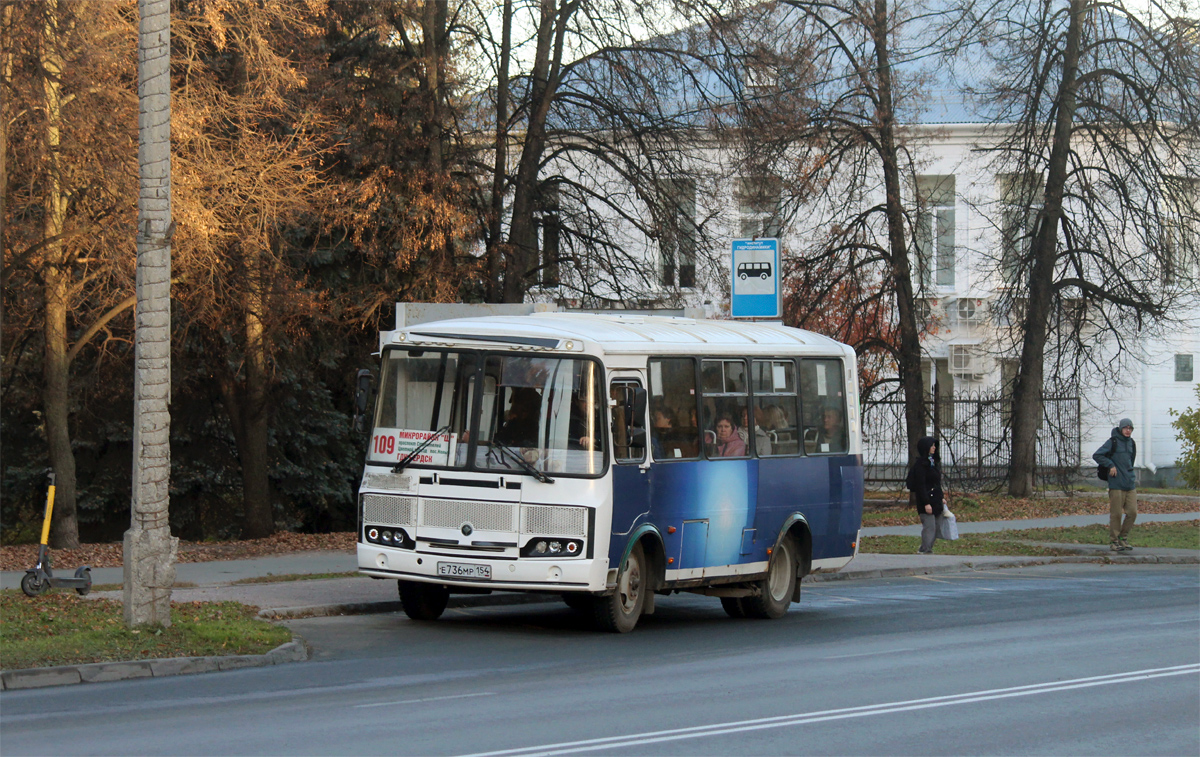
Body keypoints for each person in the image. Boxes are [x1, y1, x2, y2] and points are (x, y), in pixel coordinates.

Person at [1093, 417, 1138, 552]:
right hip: (1116, 483)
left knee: (1132, 512)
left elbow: (1131, 460)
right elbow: (1097, 455)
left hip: (1129, 483)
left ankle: (1123, 538)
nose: (1128, 431)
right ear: (1120, 428)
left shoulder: (1132, 443)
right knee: (1116, 514)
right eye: (1125, 428)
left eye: (1130, 429)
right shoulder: (1112, 442)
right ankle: (1114, 541)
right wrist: (1110, 465)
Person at [908, 436, 947, 554]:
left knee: (937, 526)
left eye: (935, 446)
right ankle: (925, 550)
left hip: (936, 499)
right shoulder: (921, 465)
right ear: (926, 447)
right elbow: (920, 485)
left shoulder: (933, 463)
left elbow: (936, 482)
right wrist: (926, 503)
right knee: (930, 527)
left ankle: (927, 547)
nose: (934, 448)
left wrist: (942, 497)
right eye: (932, 446)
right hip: (926, 501)